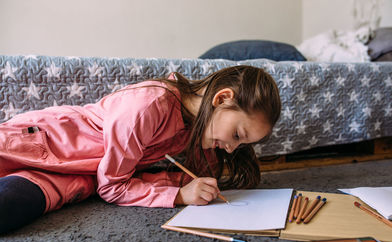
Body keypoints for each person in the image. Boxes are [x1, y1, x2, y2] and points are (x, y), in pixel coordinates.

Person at [0, 65, 281, 233]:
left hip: (73, 178)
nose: (232, 149)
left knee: (9, 208)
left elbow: (191, 176)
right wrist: (180, 195)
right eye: (237, 135)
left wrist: (189, 185)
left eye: (241, 144)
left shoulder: (194, 129)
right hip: (43, 142)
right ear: (221, 99)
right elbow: (113, 187)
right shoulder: (150, 105)